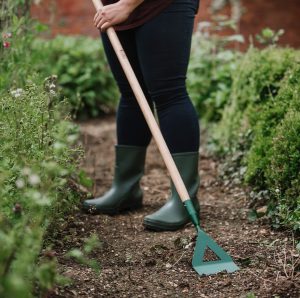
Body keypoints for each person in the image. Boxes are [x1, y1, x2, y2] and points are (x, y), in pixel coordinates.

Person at [83, 0, 201, 231]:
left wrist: (127, 5)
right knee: (131, 94)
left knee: (169, 94)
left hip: (161, 5)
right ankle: (125, 188)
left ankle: (184, 198)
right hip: (112, 9)